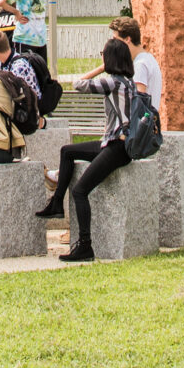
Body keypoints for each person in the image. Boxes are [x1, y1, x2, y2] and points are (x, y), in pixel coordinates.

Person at [35, 36, 141, 262]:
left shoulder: (114, 82)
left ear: (110, 59)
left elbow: (78, 84)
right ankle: (56, 204)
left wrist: (101, 67)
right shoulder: (128, 82)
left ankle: (85, 246)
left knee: (80, 191)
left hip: (118, 147)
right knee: (67, 151)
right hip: (113, 144)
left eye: (103, 54)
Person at [113, 17, 164, 107]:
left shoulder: (140, 65)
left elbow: (139, 104)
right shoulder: (148, 59)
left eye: (116, 39)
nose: (114, 44)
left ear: (127, 39)